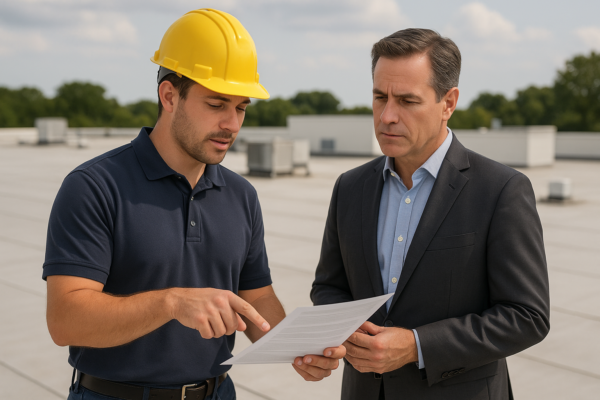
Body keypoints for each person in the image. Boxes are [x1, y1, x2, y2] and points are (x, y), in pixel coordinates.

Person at [44, 9, 344, 400]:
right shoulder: (94, 187)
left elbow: (256, 298)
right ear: (169, 95)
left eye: (240, 108)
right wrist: (171, 302)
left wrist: (296, 348)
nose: (232, 125)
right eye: (217, 104)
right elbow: (65, 320)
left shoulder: (241, 195)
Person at [310, 28, 550, 400]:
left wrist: (416, 345)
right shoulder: (350, 187)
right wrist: (346, 333)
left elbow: (526, 316)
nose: (387, 116)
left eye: (407, 101)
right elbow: (329, 287)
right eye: (379, 97)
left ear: (448, 102)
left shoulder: (501, 189)